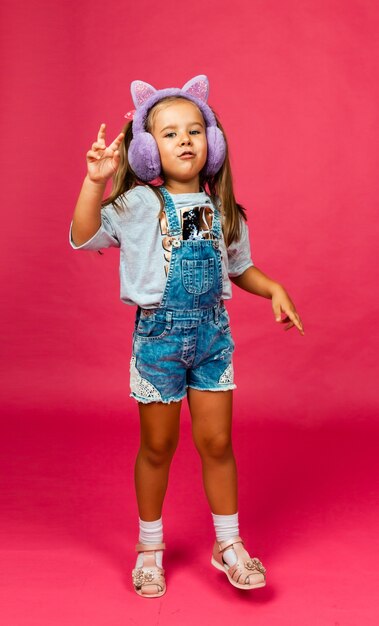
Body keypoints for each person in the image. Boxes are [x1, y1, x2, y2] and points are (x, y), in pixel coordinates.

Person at [69, 74, 304, 598]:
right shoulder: (135, 206)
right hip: (158, 341)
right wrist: (95, 182)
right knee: (158, 445)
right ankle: (149, 547)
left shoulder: (223, 211)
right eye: (170, 133)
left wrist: (274, 289)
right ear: (149, 151)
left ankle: (227, 544)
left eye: (195, 130)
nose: (184, 140)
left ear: (213, 143)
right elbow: (83, 236)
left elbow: (238, 269)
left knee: (217, 442)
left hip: (212, 342)